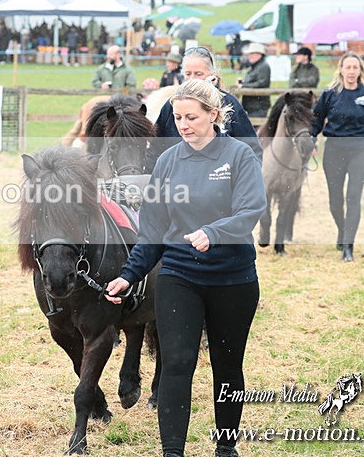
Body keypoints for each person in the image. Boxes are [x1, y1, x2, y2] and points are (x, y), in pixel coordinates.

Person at [105, 79, 267, 457]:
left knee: (227, 367)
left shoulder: (238, 156)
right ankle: (172, 452)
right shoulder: (168, 161)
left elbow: (250, 211)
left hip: (233, 279)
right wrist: (128, 276)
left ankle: (226, 448)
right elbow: (153, 231)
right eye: (178, 117)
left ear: (214, 114)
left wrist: (214, 232)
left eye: (191, 116)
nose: (183, 124)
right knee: (176, 362)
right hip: (179, 276)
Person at [312, 52, 364, 262]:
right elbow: (316, 121)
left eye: (355, 68)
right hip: (334, 150)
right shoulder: (330, 94)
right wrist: (310, 142)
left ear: (360, 71)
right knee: (335, 200)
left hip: (359, 150)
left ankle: (349, 246)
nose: (351, 71)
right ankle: (342, 230)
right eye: (347, 67)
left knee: (353, 197)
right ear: (340, 69)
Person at [146, 46, 262, 171]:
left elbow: (251, 147)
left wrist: (248, 178)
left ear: (212, 74)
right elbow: (155, 149)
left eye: (198, 74)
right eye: (188, 74)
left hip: (221, 183)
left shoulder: (228, 103)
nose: (192, 79)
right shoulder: (171, 105)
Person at [239, 42, 271, 117]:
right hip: (251, 105)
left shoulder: (264, 66)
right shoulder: (253, 67)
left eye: (252, 54)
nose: (250, 56)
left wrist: (244, 85)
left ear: (259, 54)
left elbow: (262, 83)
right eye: (250, 54)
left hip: (258, 106)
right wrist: (243, 83)